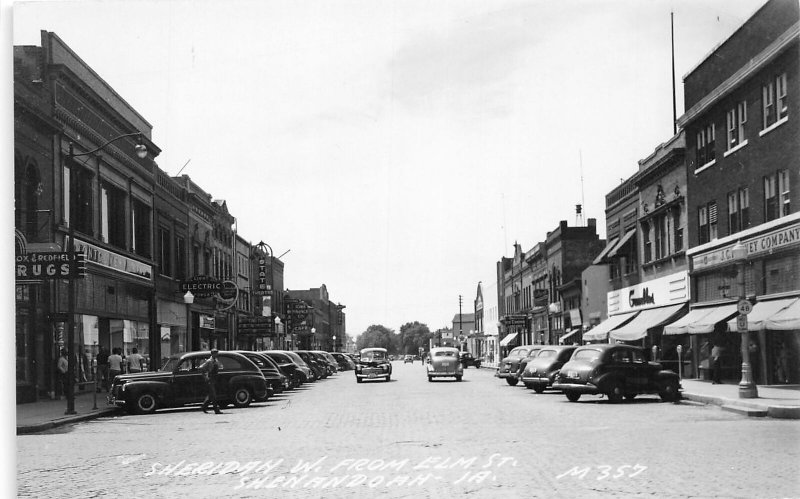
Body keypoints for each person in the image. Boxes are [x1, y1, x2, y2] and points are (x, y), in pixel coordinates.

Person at [200, 349, 223, 414]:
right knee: (213, 395)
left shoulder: (216, 360)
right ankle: (216, 409)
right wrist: (206, 377)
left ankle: (204, 407)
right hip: (210, 379)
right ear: (212, 354)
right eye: (216, 353)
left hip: (215, 379)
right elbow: (202, 368)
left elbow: (220, 366)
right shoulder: (209, 361)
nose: (217, 355)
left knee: (211, 395)